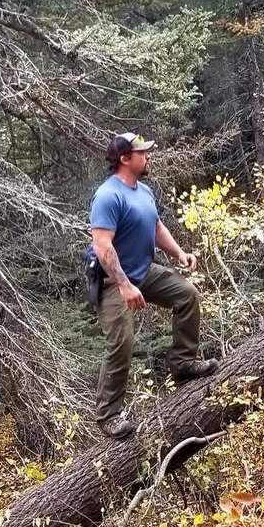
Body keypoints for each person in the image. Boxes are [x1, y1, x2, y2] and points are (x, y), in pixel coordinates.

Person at [89, 133, 217, 440]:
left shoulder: (144, 191)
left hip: (143, 271)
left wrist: (179, 254)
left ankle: (183, 363)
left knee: (186, 295)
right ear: (124, 158)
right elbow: (103, 247)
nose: (148, 157)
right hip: (112, 280)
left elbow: (156, 227)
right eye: (142, 153)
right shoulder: (108, 196)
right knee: (122, 343)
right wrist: (123, 285)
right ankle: (108, 415)